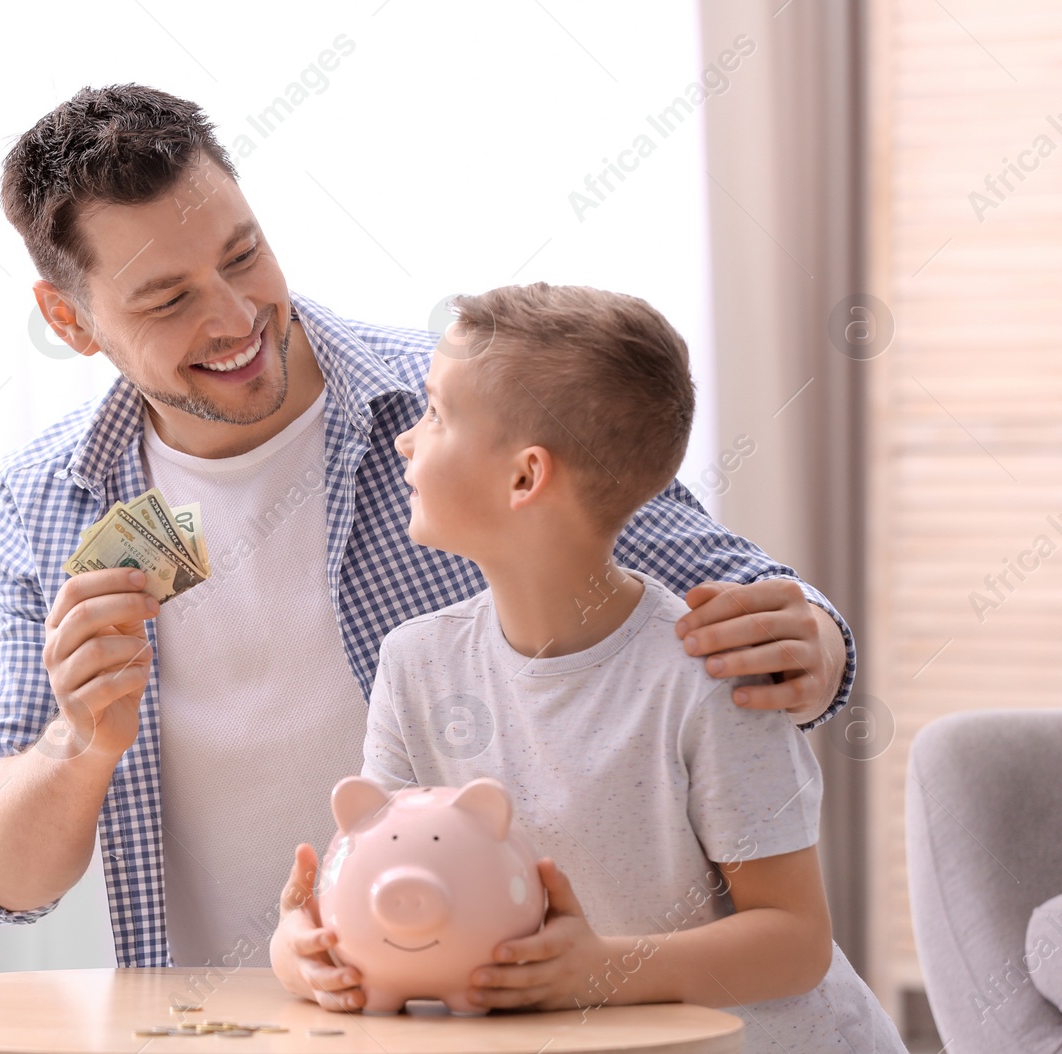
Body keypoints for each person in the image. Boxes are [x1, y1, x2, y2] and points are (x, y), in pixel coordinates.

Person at [0, 83, 856, 972]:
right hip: (237, 1022)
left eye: (242, 254)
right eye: (167, 299)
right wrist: (78, 742)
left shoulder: (459, 412)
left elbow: (749, 614)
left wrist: (811, 644)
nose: (233, 317)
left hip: (503, 1014)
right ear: (70, 319)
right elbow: (7, 882)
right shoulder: (49, 503)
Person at [268, 283, 904, 1051]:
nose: (407, 440)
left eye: (435, 414)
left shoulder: (706, 673)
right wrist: (303, 953)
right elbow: (379, 880)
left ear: (525, 478)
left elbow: (794, 943)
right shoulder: (416, 664)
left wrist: (598, 971)